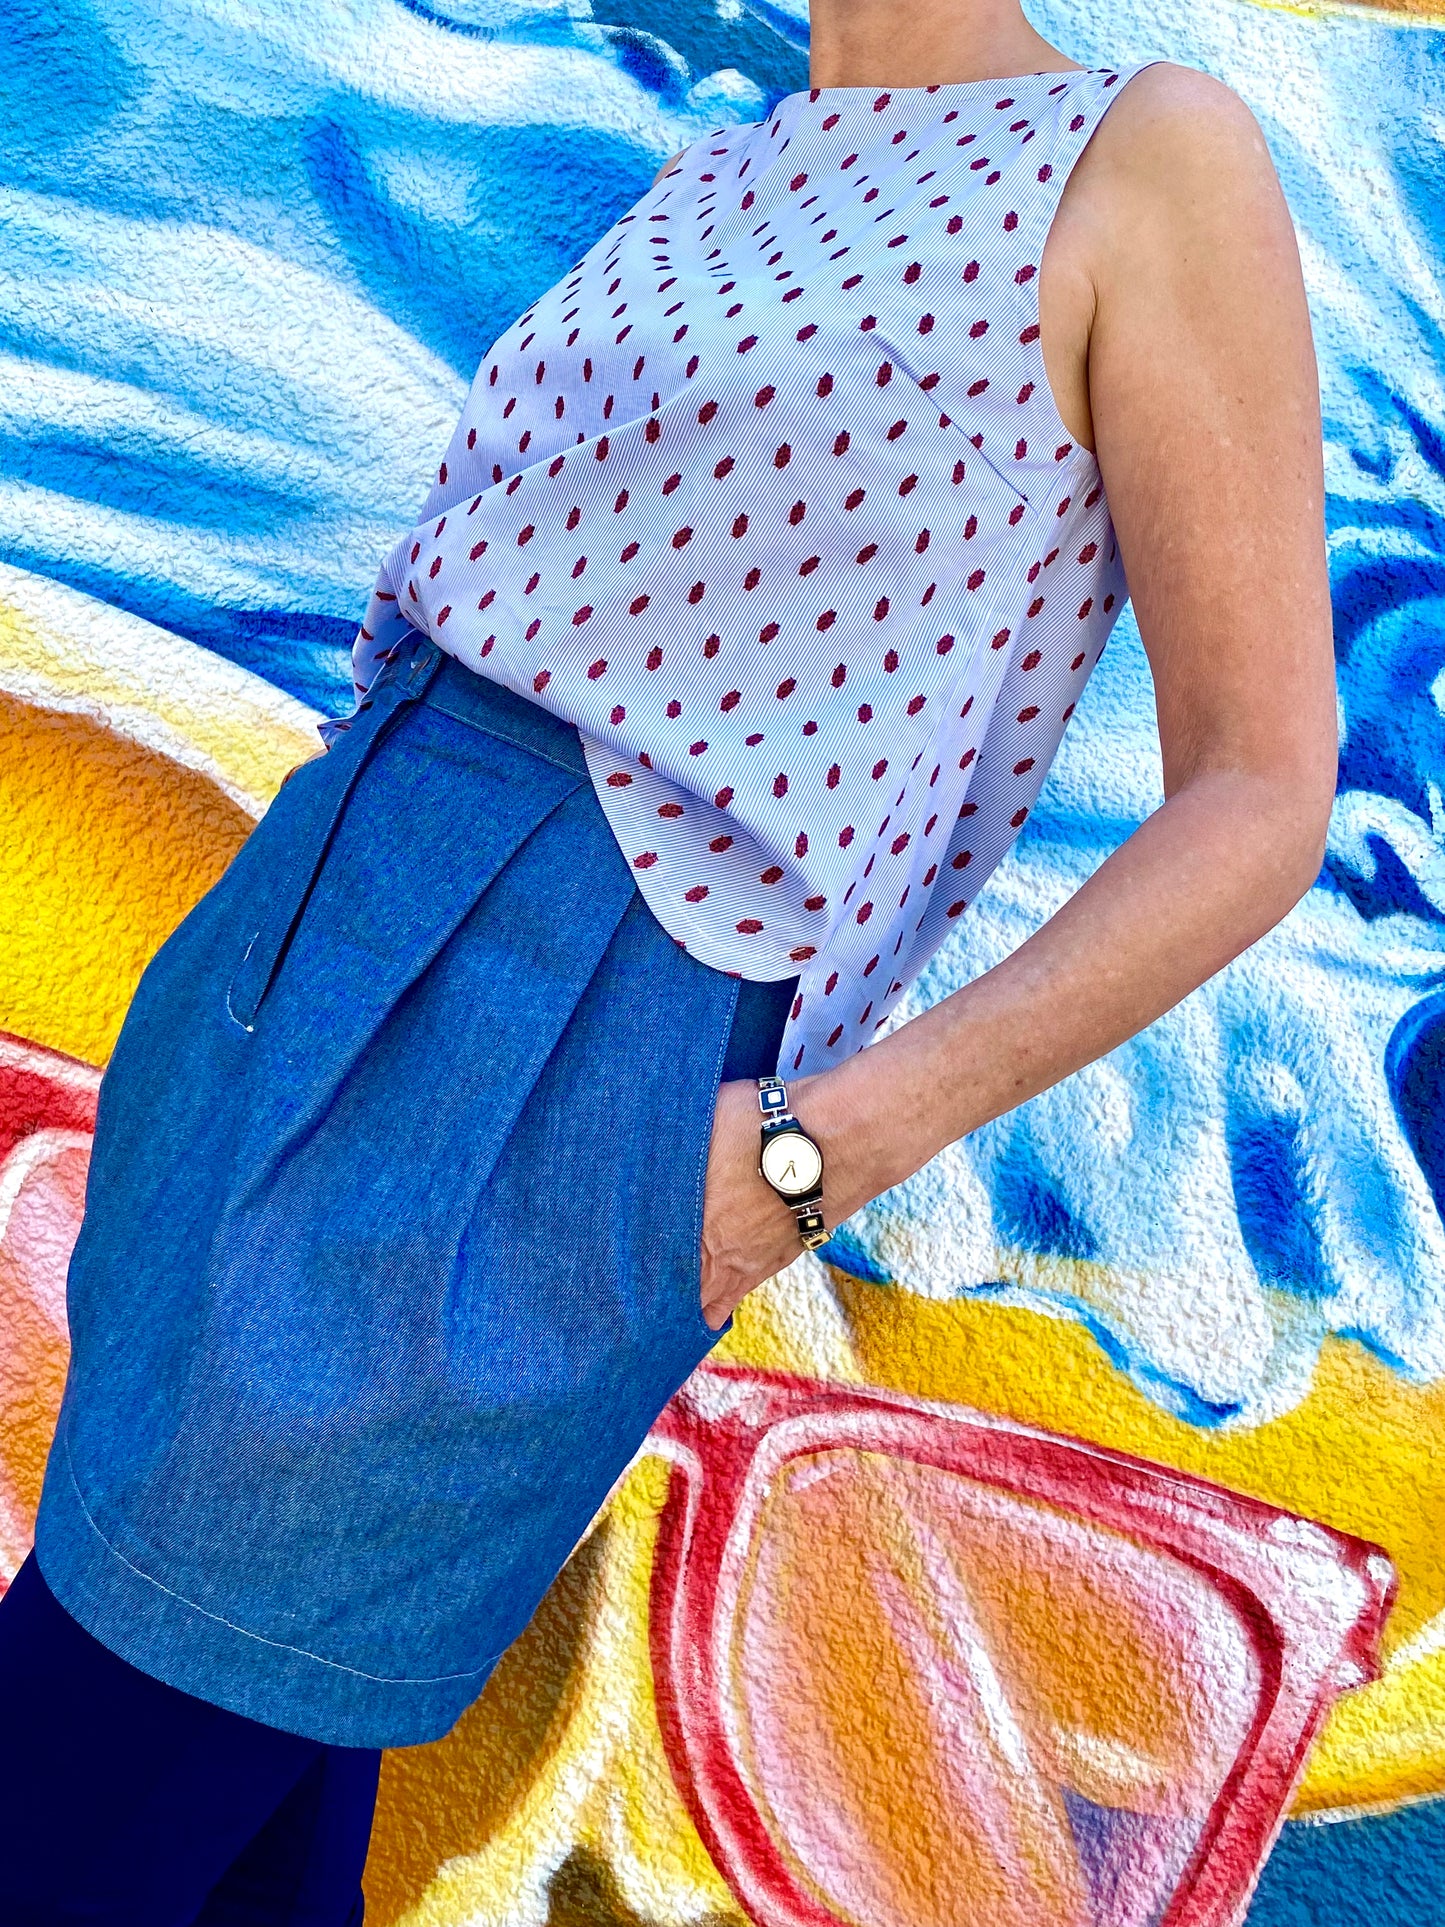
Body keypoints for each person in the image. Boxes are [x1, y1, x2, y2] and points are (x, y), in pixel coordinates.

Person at [0, 0, 1337, 1920]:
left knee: (84, 1778)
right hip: (299, 974)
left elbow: (1260, 792)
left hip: (566, 1062)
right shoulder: (736, 158)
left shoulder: (1147, 153)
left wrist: (810, 1154)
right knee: (227, 1797)